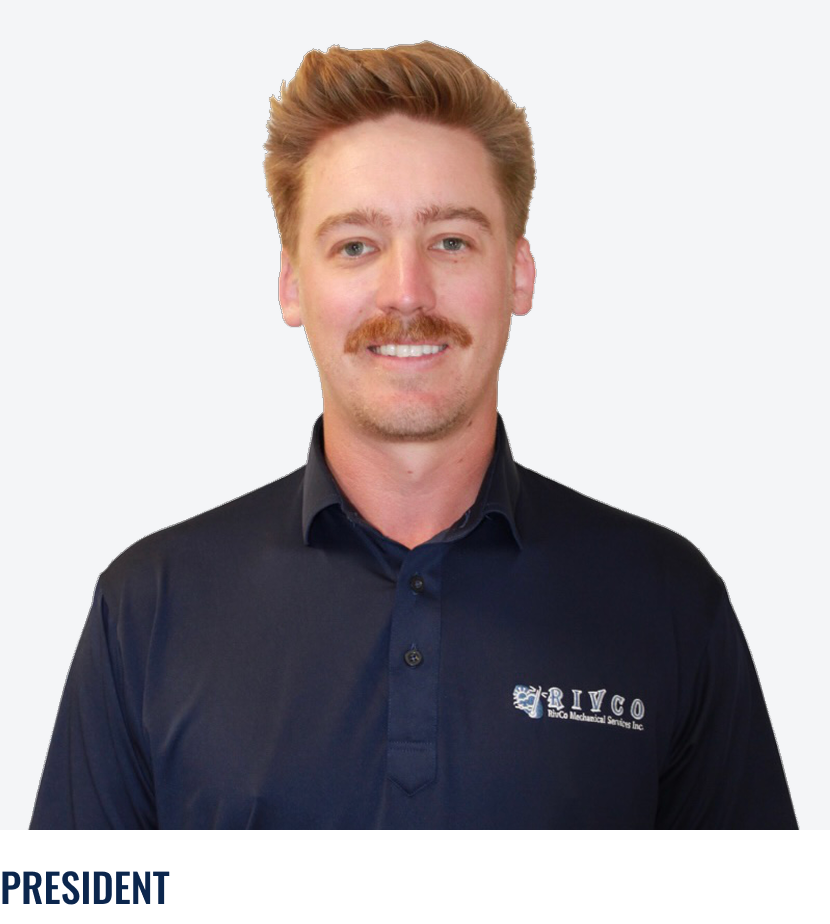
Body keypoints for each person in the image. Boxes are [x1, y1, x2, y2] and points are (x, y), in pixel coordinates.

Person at [31, 42, 796, 829]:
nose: (406, 292)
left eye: (452, 241)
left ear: (518, 274)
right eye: (355, 245)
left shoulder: (667, 600)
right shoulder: (150, 607)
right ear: (293, 283)